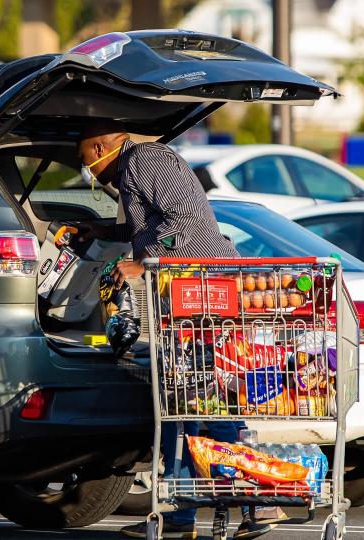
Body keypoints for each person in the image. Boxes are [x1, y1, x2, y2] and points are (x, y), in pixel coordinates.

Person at [77, 121, 273, 540]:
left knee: (200, 402)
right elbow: (150, 226)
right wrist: (105, 233)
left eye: (85, 165)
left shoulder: (144, 159)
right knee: (185, 404)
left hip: (204, 293)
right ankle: (186, 515)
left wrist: (144, 263)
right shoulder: (134, 168)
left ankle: (251, 504)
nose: (89, 176)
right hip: (188, 295)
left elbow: (182, 221)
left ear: (97, 150)